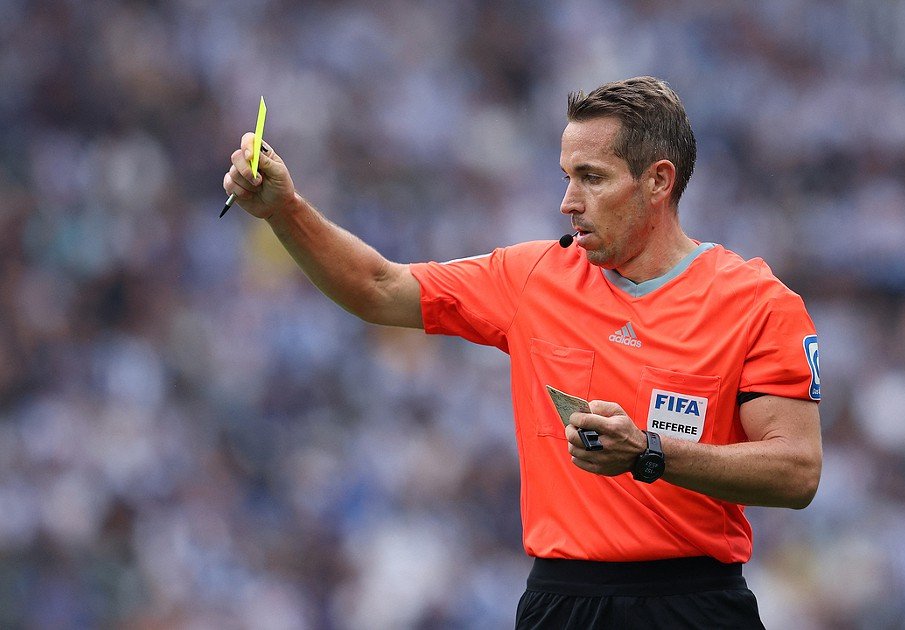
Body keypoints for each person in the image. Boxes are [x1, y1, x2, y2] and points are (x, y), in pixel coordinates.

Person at [223, 76, 822, 629]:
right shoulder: (533, 277)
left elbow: (797, 471)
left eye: (591, 178)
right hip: (561, 602)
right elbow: (378, 288)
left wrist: (650, 453)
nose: (568, 200)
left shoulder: (756, 302)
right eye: (566, 177)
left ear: (658, 181)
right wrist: (284, 209)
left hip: (694, 602)